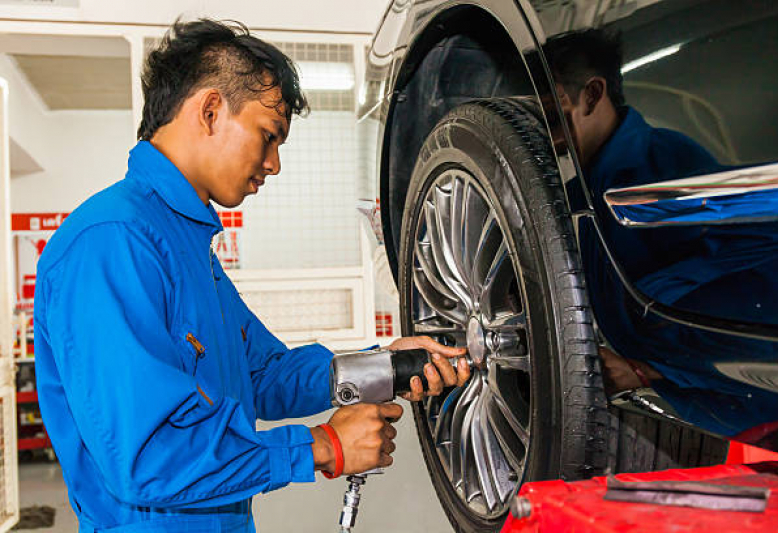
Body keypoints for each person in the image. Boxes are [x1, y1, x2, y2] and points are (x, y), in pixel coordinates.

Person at [33, 19, 470, 532]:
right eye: (268, 136)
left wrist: (386, 367)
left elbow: (262, 375)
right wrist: (324, 447)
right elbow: (148, 457)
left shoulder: (186, 249)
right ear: (211, 110)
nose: (275, 164)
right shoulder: (112, 243)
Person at [543, 29, 778, 435]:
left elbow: (761, 299)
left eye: (554, 117)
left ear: (592, 95)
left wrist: (648, 370)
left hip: (758, 411)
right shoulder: (584, 190)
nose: (547, 135)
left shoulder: (668, 168)